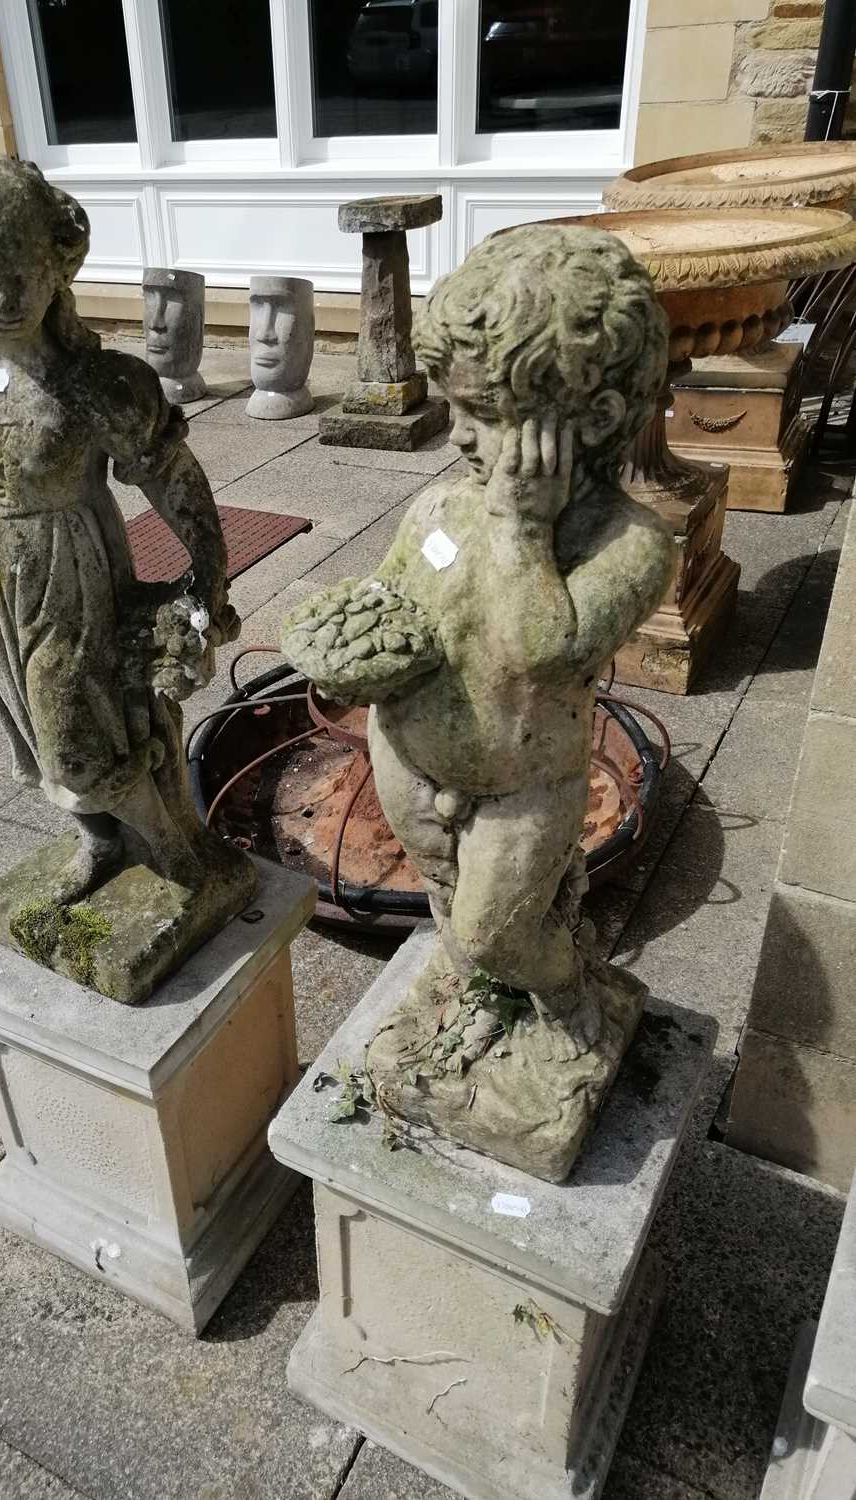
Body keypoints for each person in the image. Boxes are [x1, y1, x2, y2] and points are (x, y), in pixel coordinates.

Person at [283, 224, 676, 1173]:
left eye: (489, 412)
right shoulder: (436, 507)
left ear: (592, 415)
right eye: (458, 404)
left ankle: (565, 998)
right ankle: (480, 996)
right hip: (408, 754)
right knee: (446, 905)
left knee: (498, 923)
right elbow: (390, 598)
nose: (459, 431)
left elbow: (545, 650)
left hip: (521, 786)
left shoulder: (631, 544)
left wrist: (518, 526)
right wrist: (350, 656)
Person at [0, 156, 246, 912]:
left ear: (57, 267)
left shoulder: (101, 384)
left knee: (79, 739)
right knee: (34, 738)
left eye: (20, 275)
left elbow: (173, 479)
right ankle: (101, 842)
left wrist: (208, 578)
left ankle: (170, 847)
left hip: (72, 574)